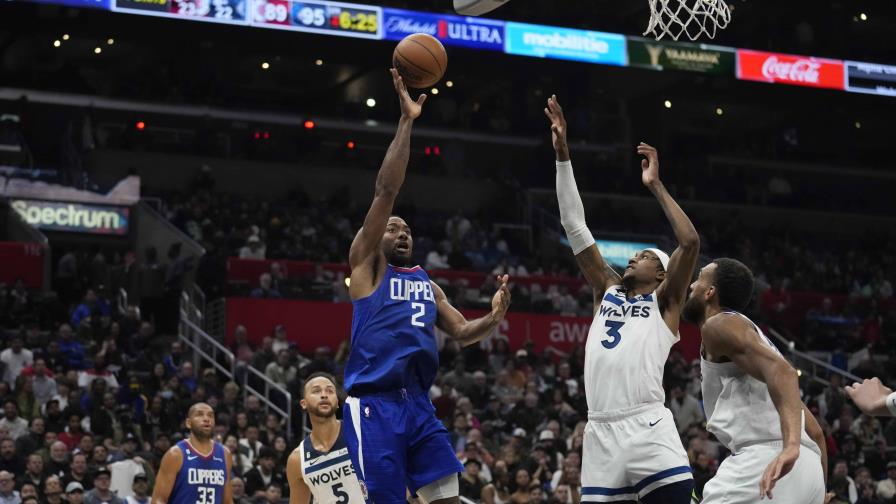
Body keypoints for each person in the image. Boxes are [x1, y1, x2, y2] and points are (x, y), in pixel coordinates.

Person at [343, 69, 511, 504]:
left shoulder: (427, 284)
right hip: (374, 404)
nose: (402, 233)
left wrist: (494, 316)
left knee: (448, 499)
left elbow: (462, 332)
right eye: (393, 228)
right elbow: (386, 189)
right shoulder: (367, 267)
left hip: (418, 404)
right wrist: (406, 121)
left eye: (407, 230)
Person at [545, 95, 698, 503]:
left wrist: (655, 186)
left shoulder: (666, 303)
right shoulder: (606, 289)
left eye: (644, 256)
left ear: (662, 274)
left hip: (647, 424)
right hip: (600, 431)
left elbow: (689, 242)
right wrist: (563, 155)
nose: (633, 258)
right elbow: (574, 224)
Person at [682, 258, 830, 503]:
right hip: (810, 470)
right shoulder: (759, 348)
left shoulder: (718, 324)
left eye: (698, 279)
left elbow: (785, 372)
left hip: (767, 458)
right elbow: (815, 432)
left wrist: (790, 446)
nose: (691, 285)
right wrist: (819, 491)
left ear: (710, 292)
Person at [286, 373, 364, 503]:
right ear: (304, 403)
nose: (324, 395)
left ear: (337, 402)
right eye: (316, 391)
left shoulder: (360, 432)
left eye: (330, 391)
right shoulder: (297, 459)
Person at [151, 403, 233, 504]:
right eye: (200, 414)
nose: (206, 419)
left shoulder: (225, 454)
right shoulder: (176, 454)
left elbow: (227, 501)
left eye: (210, 415)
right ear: (188, 423)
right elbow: (158, 500)